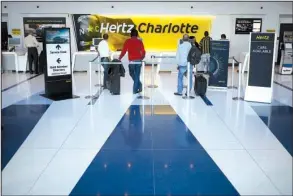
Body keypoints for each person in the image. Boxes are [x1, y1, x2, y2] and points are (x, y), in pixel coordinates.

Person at [119, 29, 145, 94]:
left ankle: (135, 90)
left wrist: (119, 58)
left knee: (131, 73)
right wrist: (141, 58)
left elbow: (124, 51)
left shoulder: (128, 41)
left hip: (132, 61)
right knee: (137, 75)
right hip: (139, 61)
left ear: (131, 34)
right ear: (137, 34)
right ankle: (139, 84)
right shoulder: (140, 42)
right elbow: (143, 51)